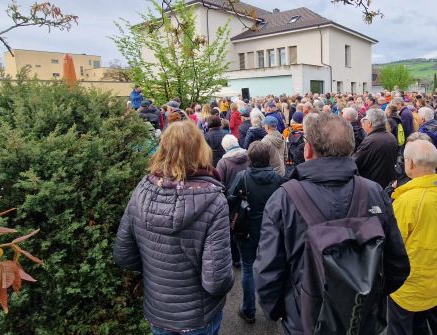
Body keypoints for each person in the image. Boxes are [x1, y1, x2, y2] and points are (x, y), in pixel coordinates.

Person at [254, 112, 410, 335]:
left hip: (305, 321)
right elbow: (398, 263)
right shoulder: (374, 191)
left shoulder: (283, 199)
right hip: (362, 318)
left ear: (307, 150)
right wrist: (369, 295)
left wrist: (283, 310)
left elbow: (268, 270)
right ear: (351, 148)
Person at [114, 121, 234, 335]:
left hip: (158, 310)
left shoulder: (141, 190)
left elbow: (123, 255)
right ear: (200, 148)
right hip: (198, 315)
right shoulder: (214, 201)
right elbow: (217, 281)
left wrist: (158, 271)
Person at [388, 139, 437, 335]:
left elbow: (394, 245)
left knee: (400, 328)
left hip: (409, 284)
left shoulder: (407, 201)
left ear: (409, 163)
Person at [225, 141, 285, 324]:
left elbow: (230, 199)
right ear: (268, 157)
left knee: (248, 267)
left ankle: (249, 309)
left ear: (250, 158)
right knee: (275, 268)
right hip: (272, 230)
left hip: (248, 229)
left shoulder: (243, 177)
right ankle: (274, 308)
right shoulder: (278, 178)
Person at [354, 108, 400, 189]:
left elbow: (355, 162)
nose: (362, 123)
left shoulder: (371, 140)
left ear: (369, 123)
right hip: (386, 184)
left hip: (372, 185)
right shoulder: (390, 136)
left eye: (364, 121)